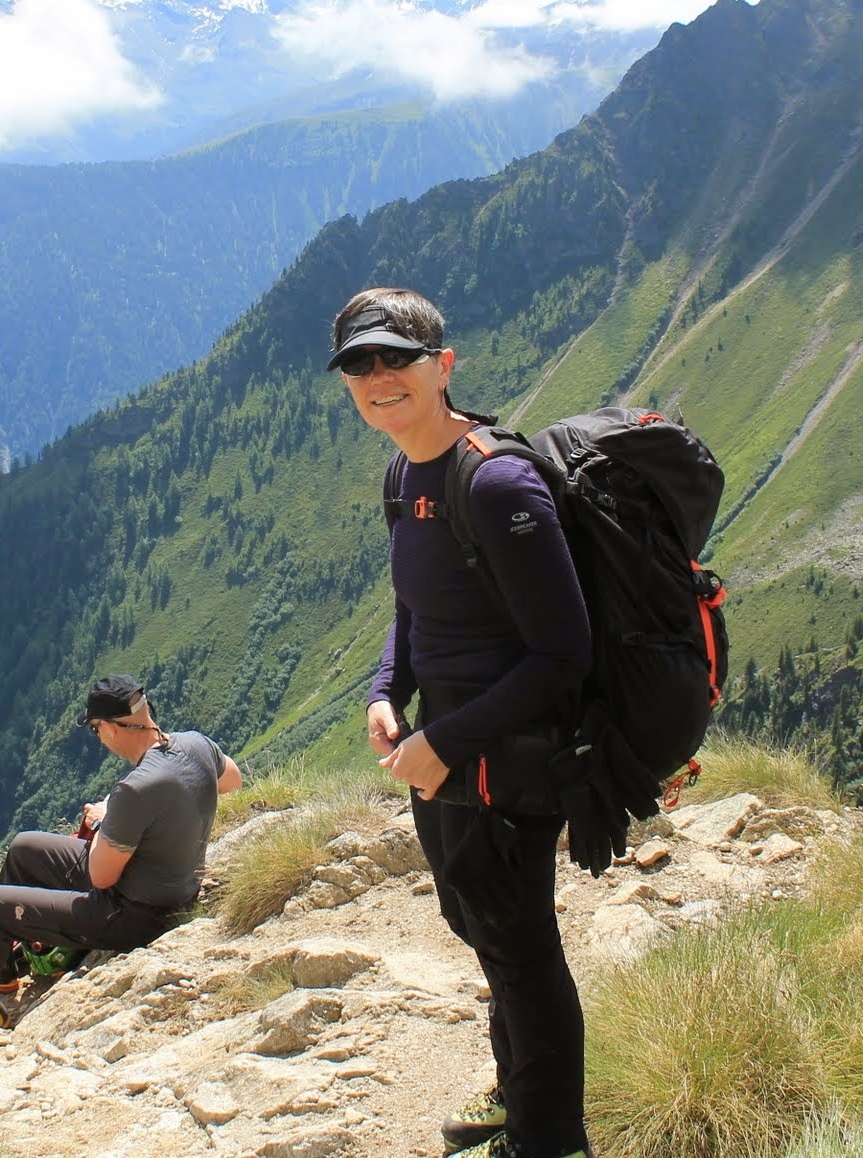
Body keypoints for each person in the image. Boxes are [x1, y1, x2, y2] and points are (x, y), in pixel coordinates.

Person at [329, 287, 595, 1158]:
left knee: (519, 946)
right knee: (475, 921)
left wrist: (442, 742)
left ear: (442, 366)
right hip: (441, 750)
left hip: (505, 756)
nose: (377, 377)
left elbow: (565, 653)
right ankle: (520, 1106)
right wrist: (385, 689)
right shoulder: (405, 472)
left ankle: (550, 1143)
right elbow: (415, 608)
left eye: (394, 358)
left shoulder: (498, 481)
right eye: (358, 365)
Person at [0, 673, 242, 1026]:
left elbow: (101, 875)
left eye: (96, 730)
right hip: (171, 886)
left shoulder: (135, 789)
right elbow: (231, 778)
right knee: (24, 848)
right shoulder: (196, 744)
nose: (99, 738)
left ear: (110, 728)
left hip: (132, 915)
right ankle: (0, 969)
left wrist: (103, 822)